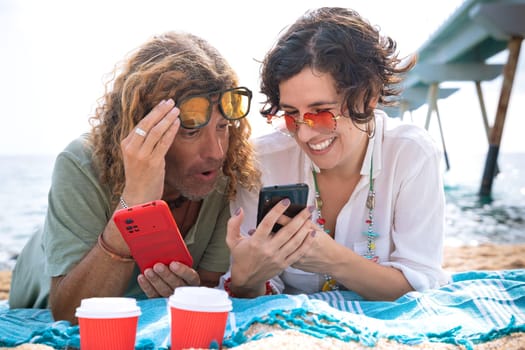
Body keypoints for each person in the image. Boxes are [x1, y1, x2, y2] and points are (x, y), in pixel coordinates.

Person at [9, 31, 260, 323]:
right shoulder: (82, 163)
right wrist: (135, 202)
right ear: (144, 127)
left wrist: (187, 293)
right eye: (191, 131)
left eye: (223, 126)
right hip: (45, 280)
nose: (216, 152)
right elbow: (68, 314)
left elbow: (207, 283)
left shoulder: (222, 172)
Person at [224, 7, 450, 298]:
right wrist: (246, 279)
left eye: (320, 113)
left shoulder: (412, 155)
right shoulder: (261, 162)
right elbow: (257, 293)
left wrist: (334, 260)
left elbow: (420, 285)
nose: (304, 134)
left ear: (367, 97)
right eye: (292, 115)